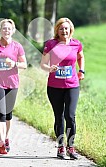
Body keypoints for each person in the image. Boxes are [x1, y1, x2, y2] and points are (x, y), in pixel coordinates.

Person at [40, 17, 85, 160]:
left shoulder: (76, 44)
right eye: (61, 28)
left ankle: (71, 147)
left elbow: (81, 57)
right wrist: (49, 68)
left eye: (66, 28)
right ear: (57, 30)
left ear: (70, 29)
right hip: (54, 86)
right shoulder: (50, 44)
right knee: (59, 117)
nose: (64, 31)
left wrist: (81, 70)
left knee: (70, 116)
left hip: (72, 85)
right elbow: (43, 64)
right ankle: (61, 147)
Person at [0, 19, 27, 154]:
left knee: (8, 114)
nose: (6, 31)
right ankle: (1, 142)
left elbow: (24, 65)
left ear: (13, 31)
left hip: (12, 83)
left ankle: (7, 137)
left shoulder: (17, 47)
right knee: (1, 112)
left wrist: (14, 64)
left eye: (9, 29)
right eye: (4, 28)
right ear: (0, 30)